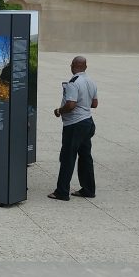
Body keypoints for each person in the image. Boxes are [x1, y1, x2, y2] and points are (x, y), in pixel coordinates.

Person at [48, 56, 98, 201]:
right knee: (85, 157)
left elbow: (70, 105)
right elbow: (94, 104)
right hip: (88, 122)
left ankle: (62, 192)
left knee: (68, 157)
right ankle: (88, 189)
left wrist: (59, 111)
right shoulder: (91, 81)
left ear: (72, 66)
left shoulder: (73, 83)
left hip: (74, 125)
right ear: (85, 67)